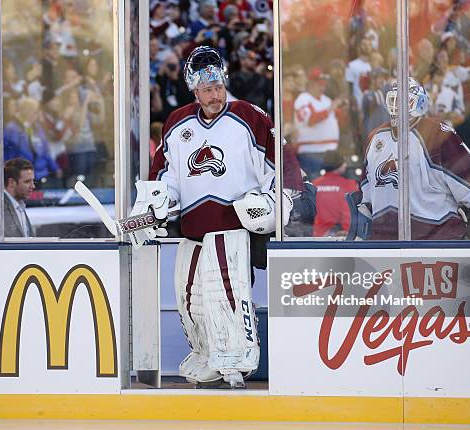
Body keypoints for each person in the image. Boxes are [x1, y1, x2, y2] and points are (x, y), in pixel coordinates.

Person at [135, 46, 291, 388]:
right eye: (207, 89)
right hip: (192, 231)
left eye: (218, 86)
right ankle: (206, 354)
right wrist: (158, 202)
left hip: (232, 229)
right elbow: (166, 176)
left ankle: (236, 358)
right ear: (194, 89)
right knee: (189, 297)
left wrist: (276, 201)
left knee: (226, 294)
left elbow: (279, 169)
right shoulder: (176, 124)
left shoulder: (249, 117)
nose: (214, 94)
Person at [359, 77, 470, 240]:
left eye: (404, 101)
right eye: (394, 100)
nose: (397, 107)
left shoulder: (377, 137)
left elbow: (364, 200)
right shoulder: (434, 133)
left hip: (389, 242)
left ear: (420, 104)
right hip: (435, 239)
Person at [311, 151, 357, 237]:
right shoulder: (348, 185)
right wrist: (348, 231)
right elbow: (349, 212)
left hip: (318, 235)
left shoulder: (314, 184)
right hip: (341, 236)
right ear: (341, 165)